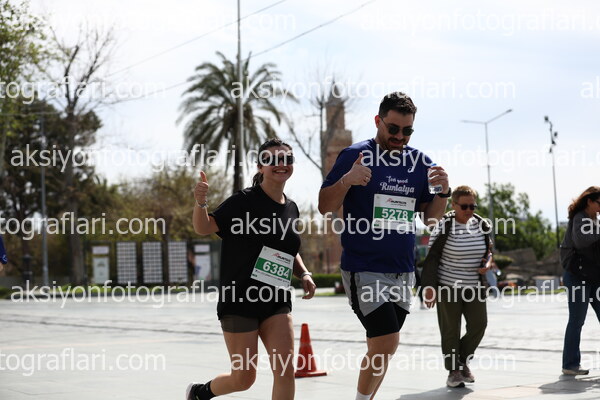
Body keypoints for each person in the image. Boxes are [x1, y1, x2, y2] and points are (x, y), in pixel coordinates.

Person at [318, 92, 450, 400]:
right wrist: (347, 180)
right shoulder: (355, 155)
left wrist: (443, 193)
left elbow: (431, 219)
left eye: (407, 130)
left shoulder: (419, 163)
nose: (400, 136)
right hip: (364, 268)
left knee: (382, 348)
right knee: (387, 342)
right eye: (393, 129)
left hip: (402, 272)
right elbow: (325, 205)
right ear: (378, 121)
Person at [187, 138, 316, 400]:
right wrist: (200, 203)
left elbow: (288, 249)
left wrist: (303, 272)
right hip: (240, 300)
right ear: (260, 166)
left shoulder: (291, 208)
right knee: (243, 378)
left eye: (287, 159)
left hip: (276, 300)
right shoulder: (243, 201)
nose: (281, 164)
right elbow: (204, 227)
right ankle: (200, 393)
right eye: (272, 160)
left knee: (285, 370)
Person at [421, 185, 492, 388]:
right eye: (464, 206)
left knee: (479, 325)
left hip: (474, 285)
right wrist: (429, 288)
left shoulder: (481, 224)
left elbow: (488, 250)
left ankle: (461, 360)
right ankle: (454, 372)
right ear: (453, 204)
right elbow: (432, 258)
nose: (469, 210)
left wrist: (487, 264)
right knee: (451, 330)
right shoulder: (443, 225)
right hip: (448, 285)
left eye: (473, 206)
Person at [560, 186, 600, 375]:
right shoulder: (580, 218)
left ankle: (571, 364)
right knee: (577, 320)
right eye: (599, 203)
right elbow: (582, 241)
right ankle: (570, 364)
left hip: (593, 276)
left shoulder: (594, 220)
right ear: (589, 201)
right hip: (577, 276)